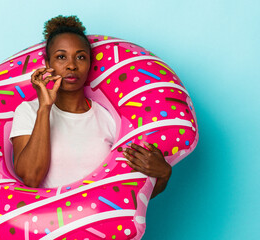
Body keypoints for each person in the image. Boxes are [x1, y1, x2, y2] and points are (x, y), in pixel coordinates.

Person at [10, 15, 171, 198]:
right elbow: (31, 178)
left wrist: (164, 175)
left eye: (80, 57)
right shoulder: (29, 111)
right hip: (51, 225)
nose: (71, 65)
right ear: (48, 64)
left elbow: (130, 198)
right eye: (61, 57)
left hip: (100, 224)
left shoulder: (108, 119)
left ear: (89, 64)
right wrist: (45, 108)